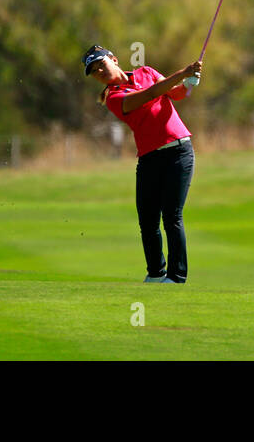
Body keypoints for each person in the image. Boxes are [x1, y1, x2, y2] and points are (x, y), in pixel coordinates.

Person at [83, 44, 201, 284]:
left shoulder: (146, 71)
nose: (100, 72)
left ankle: (177, 277)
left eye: (101, 65)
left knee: (172, 217)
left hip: (179, 152)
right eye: (95, 71)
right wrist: (183, 73)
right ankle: (156, 274)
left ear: (114, 60)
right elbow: (149, 95)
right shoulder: (113, 98)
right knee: (147, 221)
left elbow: (174, 94)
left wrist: (188, 85)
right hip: (149, 157)